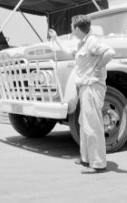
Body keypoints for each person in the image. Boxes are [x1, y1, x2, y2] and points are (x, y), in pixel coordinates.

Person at [49, 15, 115, 174]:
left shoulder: (92, 41)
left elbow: (110, 52)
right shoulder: (82, 43)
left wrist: (99, 67)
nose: (71, 29)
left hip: (92, 87)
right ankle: (86, 158)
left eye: (72, 27)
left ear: (77, 28)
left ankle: (98, 163)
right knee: (84, 123)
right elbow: (68, 51)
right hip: (84, 87)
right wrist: (56, 39)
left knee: (93, 125)